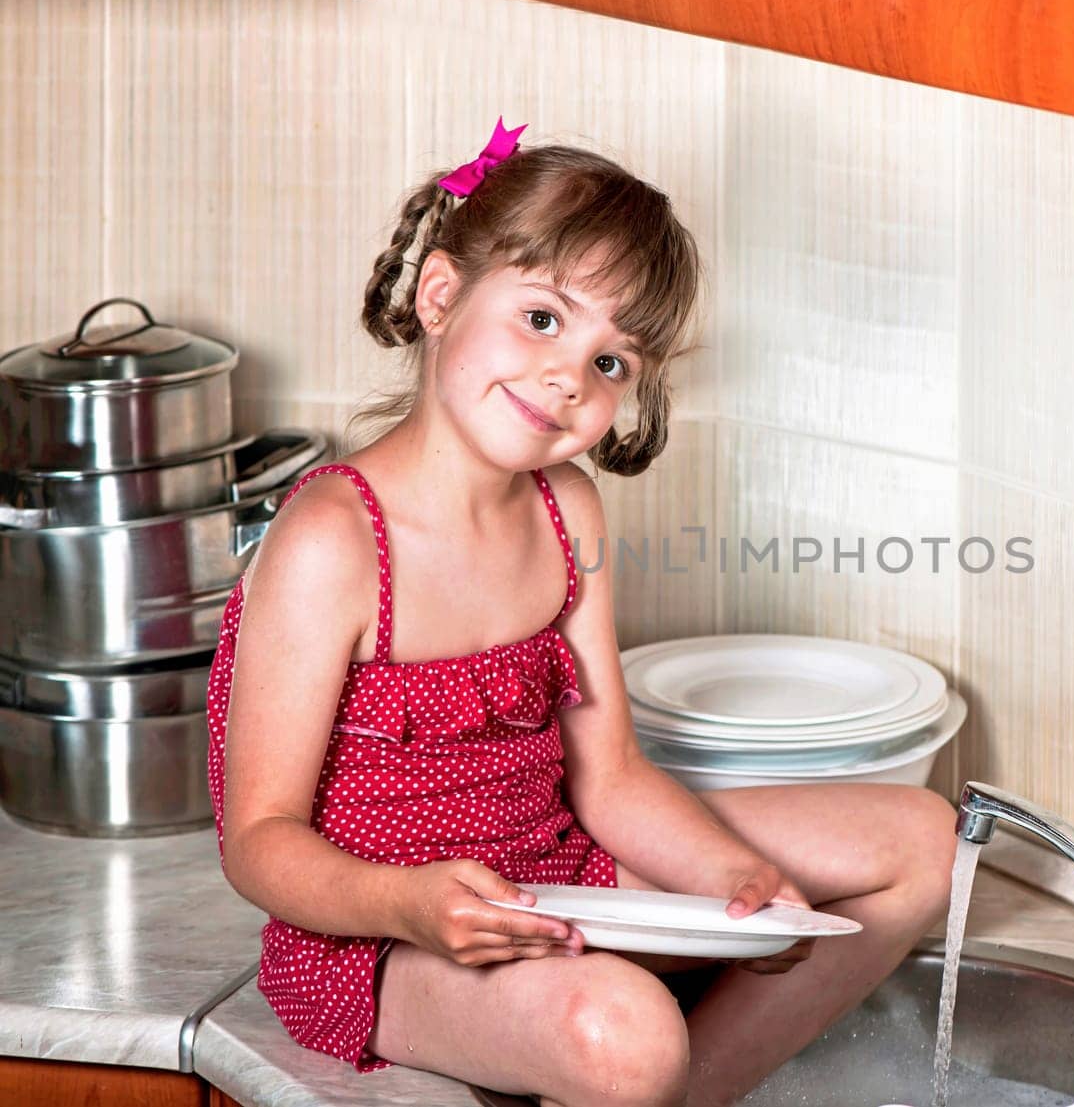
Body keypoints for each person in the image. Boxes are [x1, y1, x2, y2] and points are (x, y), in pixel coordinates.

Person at [206, 119, 958, 1107]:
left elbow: (610, 781)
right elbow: (258, 840)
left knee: (922, 841)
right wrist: (412, 904)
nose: (570, 376)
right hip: (376, 938)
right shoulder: (334, 542)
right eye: (545, 319)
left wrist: (735, 878)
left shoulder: (567, 509)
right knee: (626, 1034)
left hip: (552, 864)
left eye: (613, 362)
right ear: (441, 296)